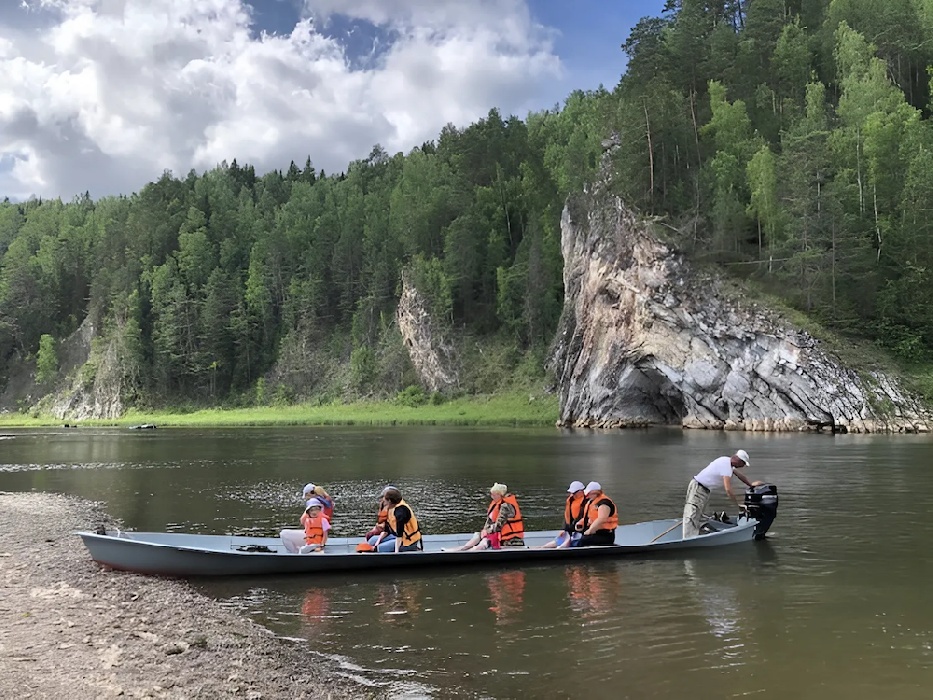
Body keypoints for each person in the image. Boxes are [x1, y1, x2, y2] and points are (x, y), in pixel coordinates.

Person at [683, 449, 759, 539]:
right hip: (698, 487)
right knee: (692, 513)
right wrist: (738, 505)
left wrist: (750, 485)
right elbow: (728, 490)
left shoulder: (726, 461)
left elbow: (740, 476)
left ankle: (701, 534)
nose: (742, 466)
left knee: (702, 515)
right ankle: (688, 538)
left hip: (705, 489)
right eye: (743, 464)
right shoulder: (726, 467)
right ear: (738, 461)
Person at [447, 483, 525, 551]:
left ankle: (474, 550)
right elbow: (489, 521)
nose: (491, 496)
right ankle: (464, 548)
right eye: (491, 494)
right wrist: (484, 530)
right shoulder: (496, 504)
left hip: (509, 538)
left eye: (493, 494)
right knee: (477, 535)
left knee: (485, 540)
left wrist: (487, 531)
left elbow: (499, 525)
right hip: (497, 534)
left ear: (500, 494)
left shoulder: (506, 506)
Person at [280, 482, 335, 553]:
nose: (307, 499)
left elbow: (302, 521)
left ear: (310, 494)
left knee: (283, 534)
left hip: (312, 537)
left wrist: (309, 511)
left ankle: (294, 554)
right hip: (320, 537)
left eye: (307, 497)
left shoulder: (314, 503)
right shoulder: (328, 501)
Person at [371, 487, 422, 553]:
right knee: (372, 541)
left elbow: (399, 535)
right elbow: (386, 530)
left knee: (380, 548)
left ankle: (412, 548)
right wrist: (377, 542)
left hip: (408, 541)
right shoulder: (390, 508)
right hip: (396, 536)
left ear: (389, 501)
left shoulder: (400, 512)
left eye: (384, 499)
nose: (383, 501)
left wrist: (396, 553)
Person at [540, 481, 586, 549]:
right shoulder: (570, 500)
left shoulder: (586, 501)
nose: (572, 495)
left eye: (574, 493)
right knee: (559, 540)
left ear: (581, 491)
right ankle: (543, 548)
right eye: (571, 493)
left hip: (581, 529)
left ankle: (562, 547)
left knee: (573, 541)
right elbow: (567, 516)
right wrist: (564, 529)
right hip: (571, 528)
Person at [574, 482, 619, 547]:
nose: (587, 496)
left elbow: (601, 519)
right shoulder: (591, 502)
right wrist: (580, 523)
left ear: (596, 493)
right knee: (576, 538)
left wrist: (590, 531)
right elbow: (590, 517)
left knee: (584, 540)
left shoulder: (604, 503)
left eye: (589, 494)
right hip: (594, 533)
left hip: (605, 535)